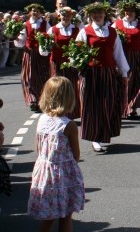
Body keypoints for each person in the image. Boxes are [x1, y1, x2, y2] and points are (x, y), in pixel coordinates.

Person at [27, 77, 85, 232]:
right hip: (63, 174)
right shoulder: (68, 125)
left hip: (44, 172)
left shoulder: (41, 120)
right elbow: (76, 154)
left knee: (49, 215)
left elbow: (38, 147)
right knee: (66, 215)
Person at [75, 2, 130, 153]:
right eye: (95, 14)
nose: (98, 16)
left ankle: (103, 134)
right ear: (90, 15)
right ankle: (95, 138)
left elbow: (118, 53)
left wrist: (124, 73)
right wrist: (78, 65)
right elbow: (77, 52)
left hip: (109, 73)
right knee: (92, 106)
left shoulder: (112, 32)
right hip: (91, 73)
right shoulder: (85, 32)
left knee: (108, 104)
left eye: (100, 13)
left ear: (105, 15)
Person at [44, 7, 82, 120]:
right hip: (57, 62)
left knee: (71, 87)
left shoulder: (77, 30)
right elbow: (46, 46)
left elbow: (81, 45)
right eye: (64, 15)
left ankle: (70, 113)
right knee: (57, 87)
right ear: (60, 16)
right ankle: (57, 111)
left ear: (71, 17)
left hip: (71, 64)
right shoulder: (53, 30)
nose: (66, 17)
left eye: (68, 15)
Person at [14, 4, 52, 112]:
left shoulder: (45, 24)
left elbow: (49, 38)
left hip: (42, 55)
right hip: (29, 53)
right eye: (33, 11)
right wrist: (16, 38)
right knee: (28, 76)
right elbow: (21, 41)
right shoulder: (25, 24)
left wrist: (46, 45)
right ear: (30, 12)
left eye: (37, 11)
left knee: (42, 76)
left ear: (40, 13)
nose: (35, 13)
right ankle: (32, 99)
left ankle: (42, 100)